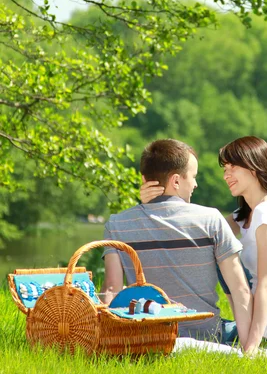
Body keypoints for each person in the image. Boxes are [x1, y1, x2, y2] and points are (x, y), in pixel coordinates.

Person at [142, 136, 267, 353]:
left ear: (254, 167)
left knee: (222, 255)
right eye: (225, 168)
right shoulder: (245, 215)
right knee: (215, 247)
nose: (226, 175)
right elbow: (194, 232)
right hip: (262, 322)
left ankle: (240, 334)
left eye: (232, 167)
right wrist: (152, 203)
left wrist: (250, 348)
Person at [101, 138, 252, 345]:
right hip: (206, 335)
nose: (196, 184)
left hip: (148, 336)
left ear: (145, 179)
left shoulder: (117, 224)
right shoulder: (211, 220)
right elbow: (240, 290)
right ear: (176, 181)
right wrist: (248, 348)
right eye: (193, 176)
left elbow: (111, 289)